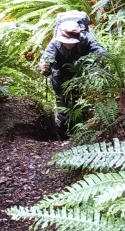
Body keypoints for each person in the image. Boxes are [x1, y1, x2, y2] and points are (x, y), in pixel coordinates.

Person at [39, 10, 107, 138]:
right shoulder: (55, 43)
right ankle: (61, 137)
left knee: (82, 106)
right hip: (60, 77)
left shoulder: (86, 39)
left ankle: (82, 135)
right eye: (66, 41)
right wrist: (44, 68)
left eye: (71, 42)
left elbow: (102, 53)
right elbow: (45, 59)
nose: (68, 45)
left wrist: (99, 65)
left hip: (81, 76)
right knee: (62, 108)